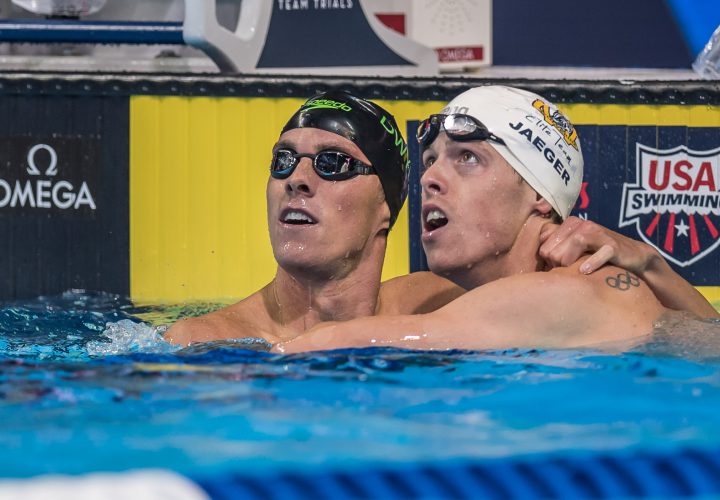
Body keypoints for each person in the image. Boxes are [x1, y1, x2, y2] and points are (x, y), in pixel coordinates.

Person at [276, 86, 718, 354]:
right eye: (430, 161)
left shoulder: (574, 291)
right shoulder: (453, 296)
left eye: (467, 158)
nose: (431, 177)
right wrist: (650, 262)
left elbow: (329, 346)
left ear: (539, 195)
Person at [165, 91, 465, 346]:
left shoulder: (436, 305)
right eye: (283, 160)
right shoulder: (203, 341)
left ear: (385, 205)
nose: (297, 178)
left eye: (333, 162)